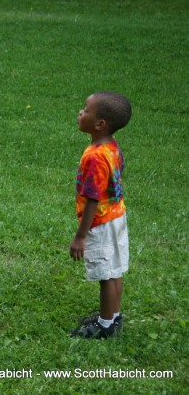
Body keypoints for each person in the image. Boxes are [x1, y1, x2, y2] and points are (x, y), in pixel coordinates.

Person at [70, 91, 132, 339]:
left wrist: (81, 236)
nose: (80, 112)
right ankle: (112, 316)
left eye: (85, 109)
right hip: (116, 215)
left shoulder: (96, 156)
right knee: (114, 270)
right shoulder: (110, 146)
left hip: (101, 222)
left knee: (106, 276)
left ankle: (105, 326)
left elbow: (93, 199)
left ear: (100, 124)